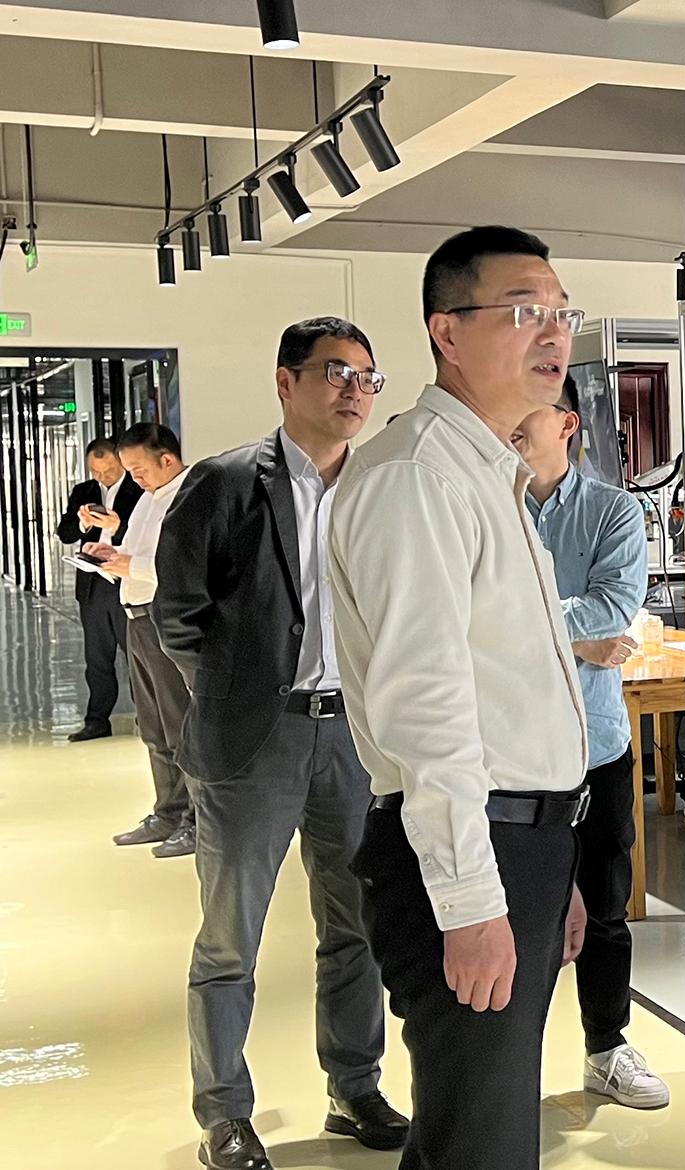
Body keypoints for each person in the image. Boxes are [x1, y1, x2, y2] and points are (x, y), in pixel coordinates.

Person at [330, 225, 592, 1170]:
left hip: (516, 842)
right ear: (446, 330)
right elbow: (427, 708)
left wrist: (551, 864)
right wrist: (473, 900)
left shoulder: (487, 471)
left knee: (485, 1132)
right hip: (468, 848)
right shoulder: (417, 475)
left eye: (560, 312)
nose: (553, 333)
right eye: (524, 311)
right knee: (478, 1144)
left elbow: (509, 697)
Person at [153, 318, 407, 1170]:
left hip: (353, 740)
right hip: (253, 744)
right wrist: (238, 695)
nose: (354, 391)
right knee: (231, 938)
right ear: (285, 381)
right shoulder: (226, 482)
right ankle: (224, 1112)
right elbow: (177, 614)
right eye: (336, 372)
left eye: (367, 377)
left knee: (355, 926)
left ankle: (355, 1086)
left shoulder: (378, 488)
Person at [511, 373, 668, 1110]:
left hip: (594, 742)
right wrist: (575, 640)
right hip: (508, 752)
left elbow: (613, 608)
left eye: (527, 410)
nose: (511, 423)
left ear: (567, 423)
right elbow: (464, 616)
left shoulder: (612, 511)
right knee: (518, 913)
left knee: (605, 906)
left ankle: (607, 1045)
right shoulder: (485, 508)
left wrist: (521, 622)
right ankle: (509, 1067)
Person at [87, 423, 196, 858]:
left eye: (138, 470)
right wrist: (110, 555)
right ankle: (167, 813)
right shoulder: (149, 498)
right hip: (138, 618)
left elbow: (185, 566)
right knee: (153, 726)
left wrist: (130, 567)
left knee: (179, 724)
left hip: (166, 618)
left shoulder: (190, 496)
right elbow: (137, 553)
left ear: (166, 459)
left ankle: (194, 821)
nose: (134, 479)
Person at [56, 437, 142, 741]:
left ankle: (146, 717)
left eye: (108, 471)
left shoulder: (139, 489)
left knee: (136, 656)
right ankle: (97, 720)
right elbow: (65, 533)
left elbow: (146, 536)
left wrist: (116, 527)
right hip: (93, 585)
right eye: (96, 472)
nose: (102, 478)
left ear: (120, 462)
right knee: (96, 658)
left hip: (126, 581)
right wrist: (83, 525)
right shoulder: (84, 492)